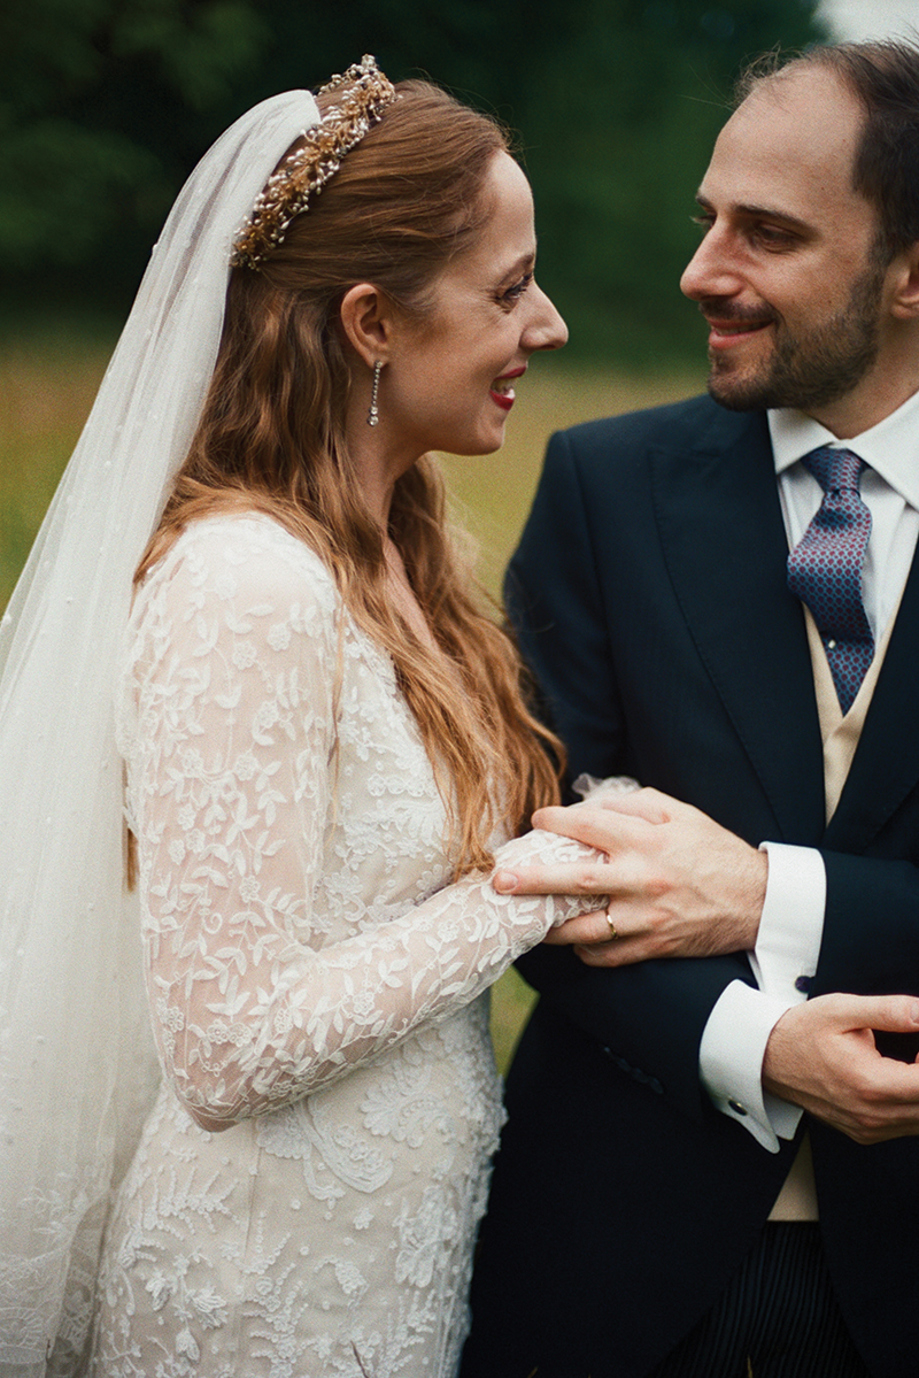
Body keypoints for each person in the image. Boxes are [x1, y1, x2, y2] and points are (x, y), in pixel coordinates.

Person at [0, 56, 617, 1378]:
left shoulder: (398, 550)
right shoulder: (245, 581)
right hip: (254, 1299)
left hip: (386, 1269)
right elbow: (225, 1045)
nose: (550, 322)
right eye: (509, 288)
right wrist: (533, 885)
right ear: (370, 322)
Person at [460, 38, 919, 1378]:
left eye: (765, 233)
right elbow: (533, 858)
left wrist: (775, 896)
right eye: (708, 216)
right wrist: (761, 1044)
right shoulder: (607, 485)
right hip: (615, 1260)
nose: (701, 270)